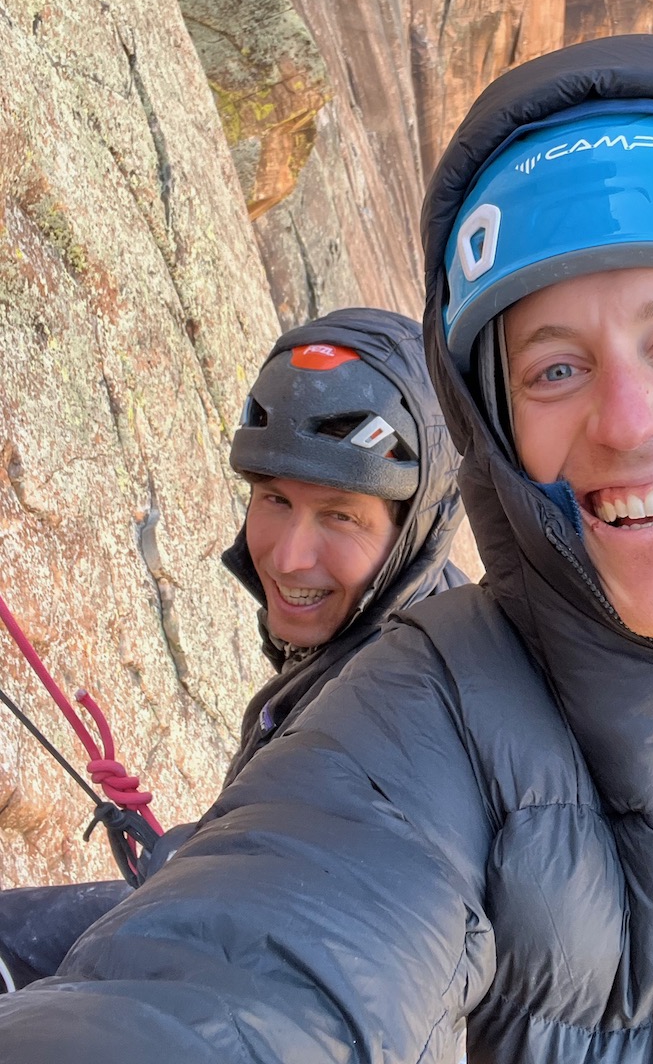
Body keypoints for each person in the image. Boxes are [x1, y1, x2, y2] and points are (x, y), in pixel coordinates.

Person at [0, 33, 653, 1063]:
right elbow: (256, 958)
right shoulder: (438, 697)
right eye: (553, 369)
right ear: (496, 427)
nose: (628, 420)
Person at [0, 306, 465, 989]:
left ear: (411, 531)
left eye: (339, 514)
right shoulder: (382, 621)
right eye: (273, 498)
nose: (287, 555)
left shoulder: (407, 717)